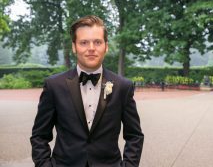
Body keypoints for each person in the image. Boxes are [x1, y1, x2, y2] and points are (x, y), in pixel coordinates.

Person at [30, 15, 144, 167]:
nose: (91, 48)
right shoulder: (54, 86)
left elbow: (134, 136)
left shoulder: (123, 87)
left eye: (97, 42)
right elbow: (39, 135)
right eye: (84, 42)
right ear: (74, 46)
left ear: (106, 46)